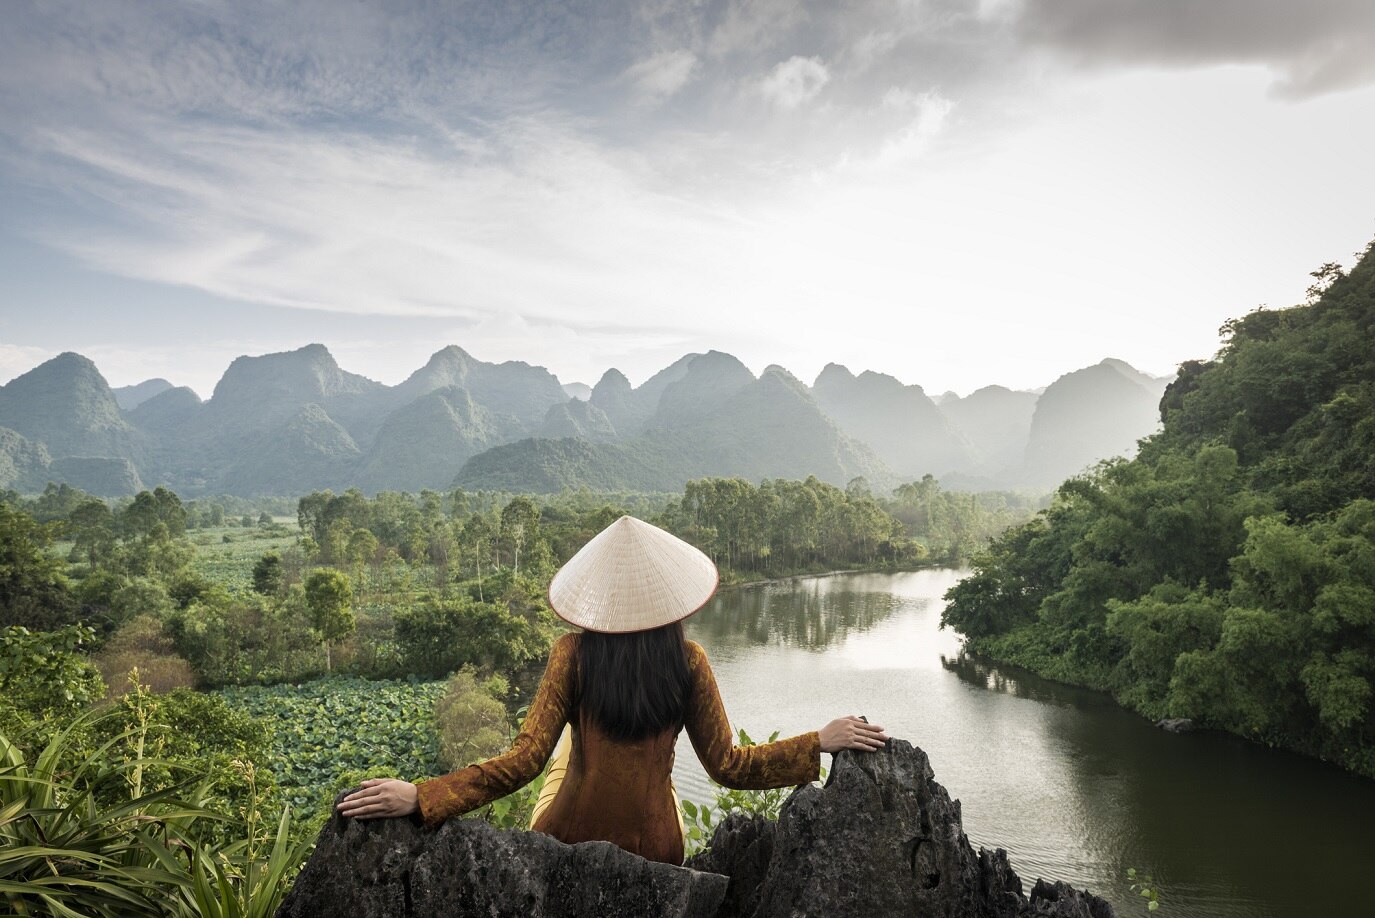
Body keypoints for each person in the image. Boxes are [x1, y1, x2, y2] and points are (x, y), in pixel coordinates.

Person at [336, 515, 889, 865]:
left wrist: (422, 796)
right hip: (659, 849)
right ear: (670, 598)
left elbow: (524, 760)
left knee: (559, 757)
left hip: (569, 843)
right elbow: (729, 765)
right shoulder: (688, 660)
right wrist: (817, 740)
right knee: (658, 785)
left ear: (596, 598)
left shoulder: (572, 655)